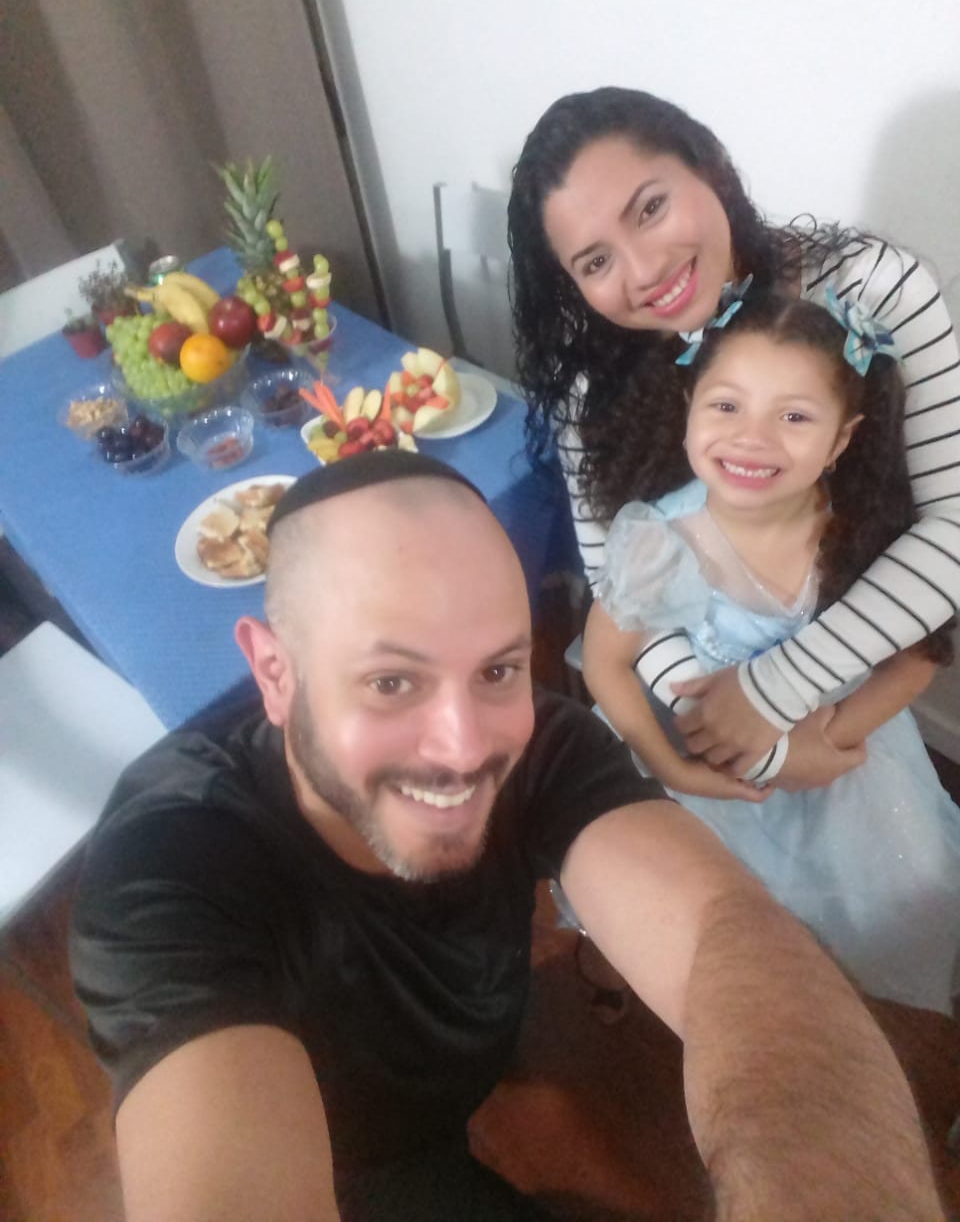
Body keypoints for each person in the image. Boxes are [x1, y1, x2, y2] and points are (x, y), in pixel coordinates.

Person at [69, 451, 945, 1222]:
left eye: (498, 669)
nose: (464, 748)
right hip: (360, 1172)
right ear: (275, 672)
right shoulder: (171, 866)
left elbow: (730, 935)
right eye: (390, 681)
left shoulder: (548, 744)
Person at [508, 86, 960, 781]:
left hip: (837, 691)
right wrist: (747, 744)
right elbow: (614, 587)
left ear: (709, 166)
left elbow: (952, 529)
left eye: (650, 209)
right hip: (693, 712)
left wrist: (777, 691)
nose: (644, 271)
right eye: (595, 261)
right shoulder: (592, 386)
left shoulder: (875, 290)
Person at [582, 289, 960, 1014]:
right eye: (727, 405)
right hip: (706, 772)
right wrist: (672, 768)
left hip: (846, 760)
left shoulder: (865, 524)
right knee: (712, 915)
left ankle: (833, 1009)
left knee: (894, 895)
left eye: (794, 417)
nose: (752, 438)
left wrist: (826, 742)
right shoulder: (664, 539)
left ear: (841, 441)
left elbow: (916, 657)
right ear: (690, 406)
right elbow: (605, 662)